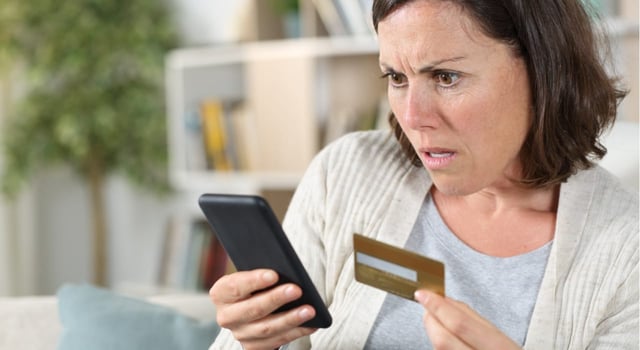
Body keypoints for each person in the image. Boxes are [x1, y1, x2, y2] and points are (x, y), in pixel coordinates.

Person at [209, 0, 638, 349]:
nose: (413, 117)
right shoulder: (346, 174)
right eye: (397, 77)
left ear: (544, 72)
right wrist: (251, 342)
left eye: (446, 77)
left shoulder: (626, 254)